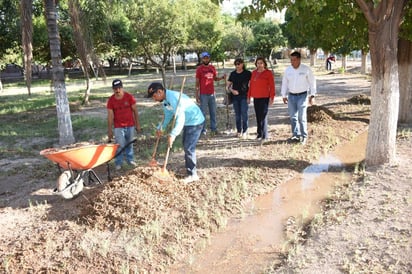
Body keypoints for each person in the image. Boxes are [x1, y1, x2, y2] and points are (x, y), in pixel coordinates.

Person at [147, 82, 205, 184]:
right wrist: (161, 128)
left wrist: (173, 134)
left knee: (188, 147)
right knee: (186, 145)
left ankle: (193, 174)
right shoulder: (166, 100)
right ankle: (189, 168)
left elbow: (180, 118)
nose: (154, 99)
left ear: (160, 92)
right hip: (188, 122)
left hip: (195, 121)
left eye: (154, 96)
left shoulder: (173, 98)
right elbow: (168, 114)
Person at [281, 51, 317, 145]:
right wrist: (283, 95)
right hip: (291, 96)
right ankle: (295, 135)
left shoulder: (306, 69)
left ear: (299, 59)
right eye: (291, 60)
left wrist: (312, 95)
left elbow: (312, 82)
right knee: (293, 117)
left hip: (302, 96)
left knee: (301, 117)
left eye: (294, 60)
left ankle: (304, 136)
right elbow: (285, 83)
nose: (292, 62)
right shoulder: (288, 70)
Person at [107, 79, 142, 170]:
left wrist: (137, 124)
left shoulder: (129, 97)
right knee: (120, 145)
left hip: (130, 125)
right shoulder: (111, 100)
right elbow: (110, 116)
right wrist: (110, 130)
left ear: (122, 88)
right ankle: (118, 162)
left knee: (129, 143)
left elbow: (135, 111)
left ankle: (130, 160)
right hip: (118, 126)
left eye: (119, 88)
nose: (117, 90)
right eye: (115, 89)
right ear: (113, 89)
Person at [195, 51, 226, 136]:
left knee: (213, 112)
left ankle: (214, 129)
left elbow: (215, 78)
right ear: (202, 59)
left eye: (207, 57)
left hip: (212, 94)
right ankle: (203, 130)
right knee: (203, 113)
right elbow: (197, 83)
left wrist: (222, 78)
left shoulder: (212, 68)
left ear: (209, 58)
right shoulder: (199, 69)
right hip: (203, 94)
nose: (206, 59)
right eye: (204, 58)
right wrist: (196, 95)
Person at [247, 56, 275, 142]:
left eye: (261, 63)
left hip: (264, 97)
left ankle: (265, 135)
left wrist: (272, 97)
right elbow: (250, 86)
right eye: (258, 63)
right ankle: (259, 133)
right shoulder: (254, 73)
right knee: (258, 116)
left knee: (263, 116)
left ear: (264, 64)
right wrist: (248, 97)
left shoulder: (268, 73)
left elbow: (272, 86)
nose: (259, 65)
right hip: (256, 97)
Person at [227, 58, 251, 138]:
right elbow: (228, 86)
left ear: (242, 64)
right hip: (235, 97)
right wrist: (232, 90)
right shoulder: (233, 74)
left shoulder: (248, 73)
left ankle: (245, 131)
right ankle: (238, 131)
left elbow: (253, 83)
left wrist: (250, 95)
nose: (237, 65)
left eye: (239, 64)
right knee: (237, 115)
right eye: (236, 64)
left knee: (244, 114)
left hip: (244, 96)